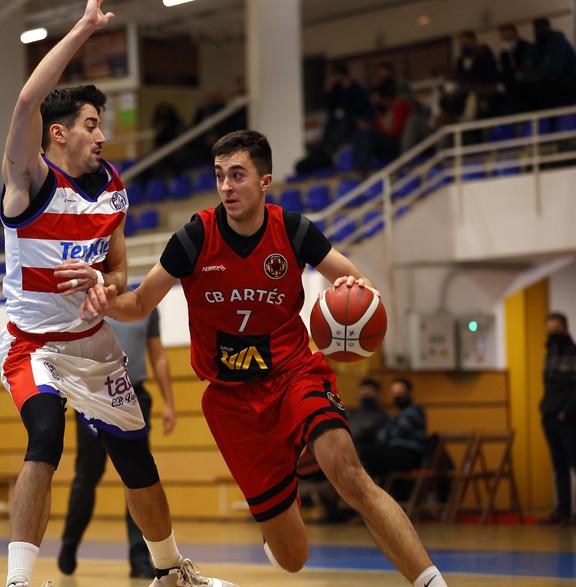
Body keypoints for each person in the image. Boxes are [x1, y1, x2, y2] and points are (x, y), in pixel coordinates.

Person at [81, 130, 449, 587]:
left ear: (265, 181)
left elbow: (358, 281)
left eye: (237, 175)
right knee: (293, 559)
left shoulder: (293, 230)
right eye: (220, 175)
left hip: (294, 375)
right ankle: (291, 467)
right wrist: (103, 302)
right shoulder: (194, 238)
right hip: (231, 402)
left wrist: (357, 291)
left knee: (351, 476)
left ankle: (433, 583)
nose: (226, 186)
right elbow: (138, 304)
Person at [0, 2, 237, 586]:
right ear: (58, 133)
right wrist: (84, 28)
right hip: (34, 346)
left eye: (101, 124)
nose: (102, 135)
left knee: (136, 458)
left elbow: (122, 270)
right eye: (90, 124)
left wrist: (105, 285)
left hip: (94, 344)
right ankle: (18, 581)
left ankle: (171, 572)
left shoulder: (111, 188)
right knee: (46, 438)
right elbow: (27, 102)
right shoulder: (29, 180)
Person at [58, 309, 176, 579]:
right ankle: (70, 543)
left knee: (138, 477)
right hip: (92, 397)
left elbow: (157, 354)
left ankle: (139, 556)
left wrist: (169, 402)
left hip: (133, 397)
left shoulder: (146, 306)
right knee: (87, 475)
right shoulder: (87, 303)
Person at [312, 377, 389, 523]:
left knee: (350, 461)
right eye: (363, 390)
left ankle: (329, 490)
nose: (365, 394)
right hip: (343, 451)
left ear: (377, 393)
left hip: (364, 457)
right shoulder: (352, 413)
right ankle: (326, 501)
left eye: (369, 391)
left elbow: (371, 438)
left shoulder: (382, 417)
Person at [360, 377, 428, 501]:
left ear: (410, 393)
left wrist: (388, 432)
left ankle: (373, 498)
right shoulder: (396, 416)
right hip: (395, 453)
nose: (397, 396)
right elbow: (382, 436)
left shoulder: (415, 411)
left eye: (400, 392)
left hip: (410, 455)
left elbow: (398, 430)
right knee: (370, 462)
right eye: (395, 393)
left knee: (365, 453)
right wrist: (388, 432)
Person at [539, 312, 576, 526]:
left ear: (565, 328)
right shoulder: (550, 353)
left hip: (568, 418)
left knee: (574, 463)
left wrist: (566, 412)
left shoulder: (573, 353)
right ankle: (563, 510)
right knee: (559, 466)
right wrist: (545, 409)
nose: (553, 333)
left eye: (556, 329)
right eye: (550, 329)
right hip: (550, 416)